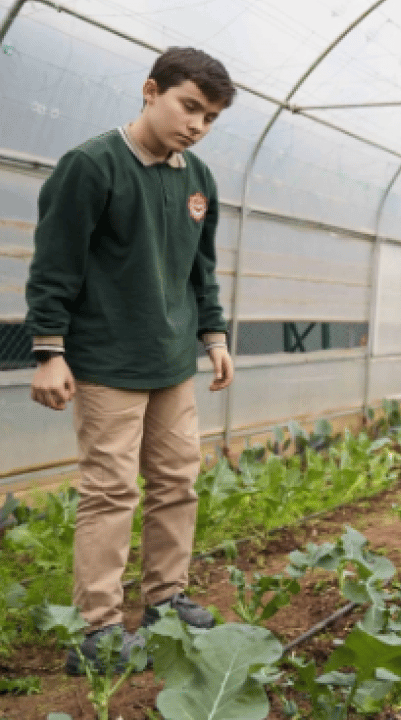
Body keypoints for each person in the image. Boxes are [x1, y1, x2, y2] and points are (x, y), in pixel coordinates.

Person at [24, 47, 236, 674]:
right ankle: (96, 630)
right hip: (107, 361)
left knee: (178, 481)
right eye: (188, 106)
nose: (196, 125)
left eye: (210, 117)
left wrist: (215, 336)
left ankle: (167, 600)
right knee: (110, 491)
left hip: (173, 362)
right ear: (151, 90)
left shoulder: (198, 177)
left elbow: (201, 267)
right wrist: (49, 352)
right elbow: (54, 266)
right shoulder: (92, 166)